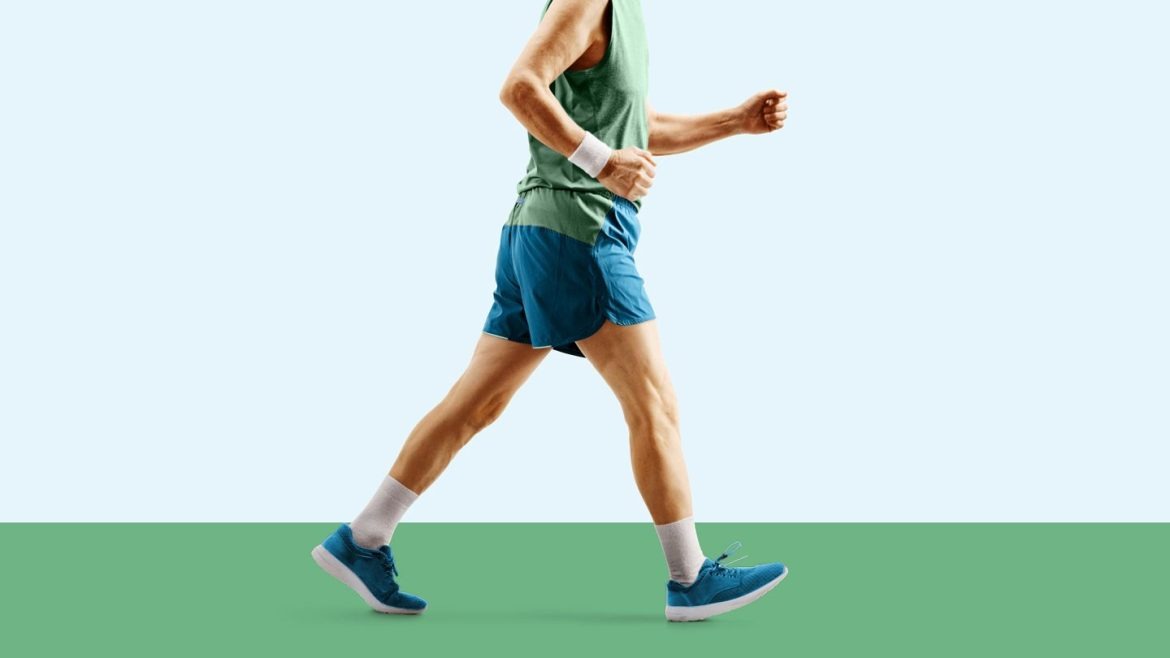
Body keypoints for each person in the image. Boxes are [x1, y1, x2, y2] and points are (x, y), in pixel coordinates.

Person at [311, 0, 789, 622]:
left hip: (538, 234)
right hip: (578, 233)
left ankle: (364, 537)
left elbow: (631, 130)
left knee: (477, 402)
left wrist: (733, 121)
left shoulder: (625, 15)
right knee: (654, 404)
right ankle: (690, 577)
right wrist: (599, 162)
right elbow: (520, 88)